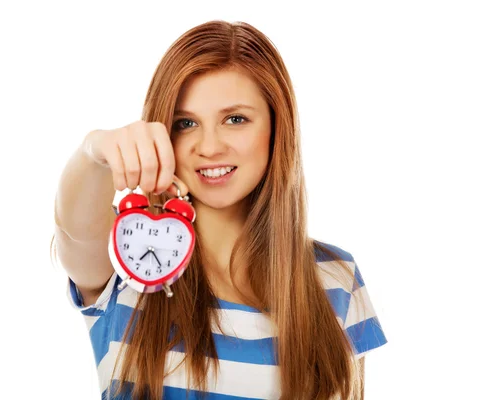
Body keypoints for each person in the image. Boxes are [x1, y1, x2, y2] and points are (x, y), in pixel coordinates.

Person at [51, 20, 387, 400]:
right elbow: (72, 231)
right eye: (186, 123)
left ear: (277, 128)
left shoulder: (336, 278)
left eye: (235, 119)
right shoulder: (129, 264)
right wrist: (95, 150)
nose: (209, 147)